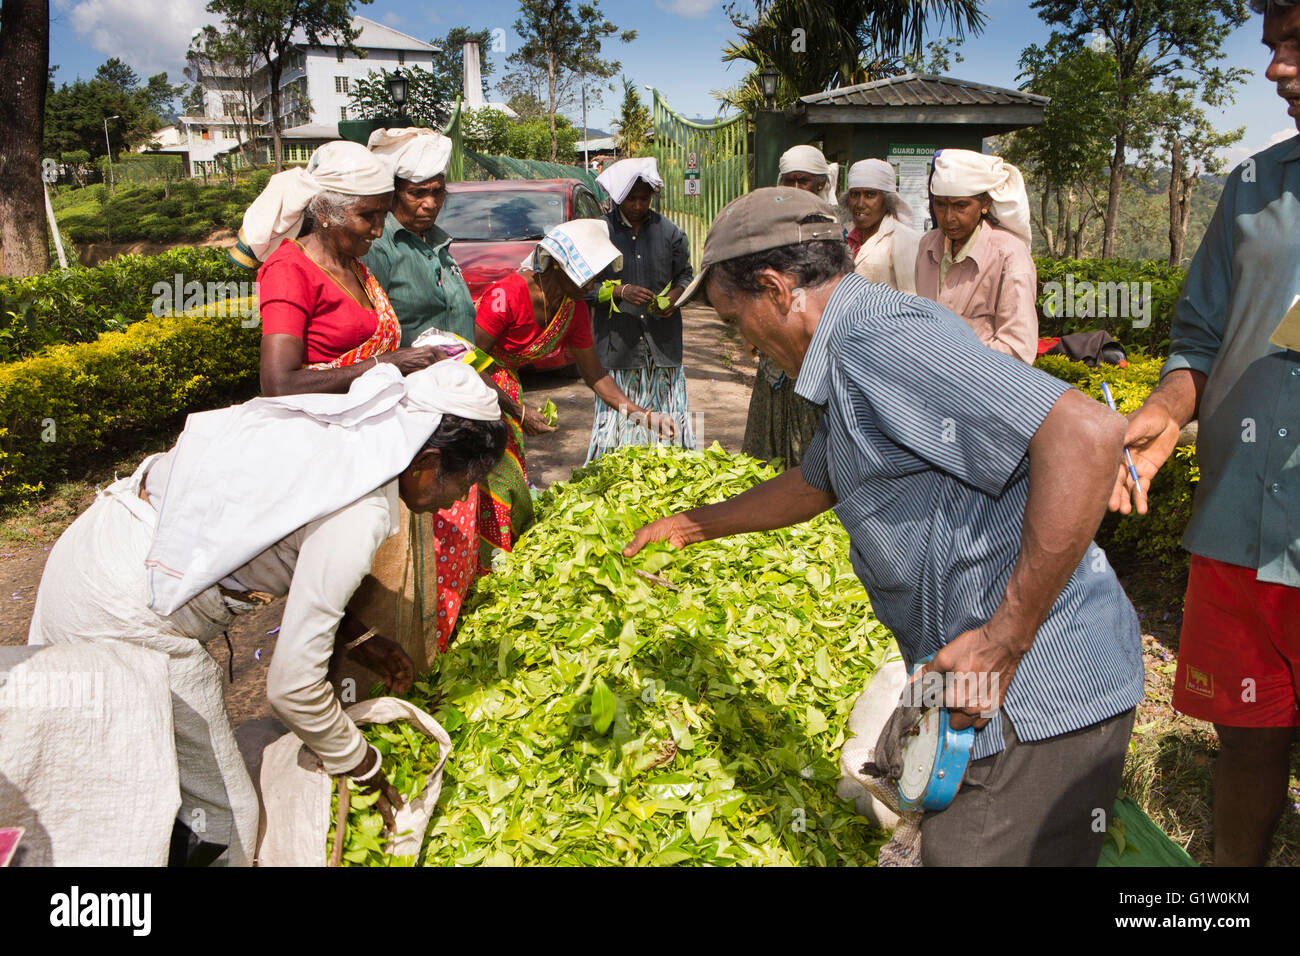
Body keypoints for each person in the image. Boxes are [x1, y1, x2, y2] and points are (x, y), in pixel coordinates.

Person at [625, 187, 1144, 866]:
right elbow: (820, 479)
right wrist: (693, 525)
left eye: (734, 319)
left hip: (1035, 686)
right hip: (969, 675)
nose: (743, 342)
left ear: (778, 290)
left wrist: (1004, 638)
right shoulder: (844, 353)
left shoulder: (880, 339)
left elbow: (1086, 432)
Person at [27, 361, 507, 866]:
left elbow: (294, 546)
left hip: (95, 553)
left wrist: (360, 638)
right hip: (120, 611)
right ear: (427, 461)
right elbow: (292, 688)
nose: (462, 496)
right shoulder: (361, 510)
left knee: (123, 762)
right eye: (466, 480)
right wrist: (361, 763)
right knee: (225, 812)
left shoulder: (345, 434)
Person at [1109, 0, 1300, 867]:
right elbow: (1197, 339)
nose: (1276, 70)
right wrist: (1163, 412)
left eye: (1297, 44)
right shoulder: (1256, 188)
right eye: (1272, 47)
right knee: (1249, 739)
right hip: (1238, 526)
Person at [474, 219, 678, 567]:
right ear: (554, 265)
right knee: (488, 486)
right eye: (583, 274)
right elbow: (466, 360)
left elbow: (596, 375)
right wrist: (516, 411)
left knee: (510, 487)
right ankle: (482, 566)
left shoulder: (573, 309)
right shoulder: (506, 295)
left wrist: (642, 415)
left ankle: (500, 562)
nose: (589, 283)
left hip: (508, 393)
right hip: (477, 393)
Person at [233, 140, 442, 397]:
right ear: (324, 211)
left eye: (384, 215)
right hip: (321, 425)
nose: (378, 230)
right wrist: (386, 363)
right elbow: (279, 384)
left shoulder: (353, 265)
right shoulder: (289, 270)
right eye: (367, 216)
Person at [586, 157, 696, 462]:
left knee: (668, 429)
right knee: (619, 430)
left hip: (663, 346)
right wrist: (621, 291)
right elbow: (584, 290)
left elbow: (685, 275)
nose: (637, 205)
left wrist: (673, 299)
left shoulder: (670, 232)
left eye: (644, 199)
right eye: (631, 199)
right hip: (618, 348)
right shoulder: (600, 233)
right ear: (618, 197)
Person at [741, 145, 837, 468]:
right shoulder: (769, 230)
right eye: (790, 181)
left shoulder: (833, 232)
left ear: (821, 185)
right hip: (773, 357)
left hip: (813, 352)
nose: (797, 189)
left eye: (805, 181)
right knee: (764, 455)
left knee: (810, 451)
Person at [914, 149, 1039, 364]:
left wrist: (950, 356)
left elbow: (1018, 350)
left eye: (960, 206)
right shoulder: (928, 246)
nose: (948, 217)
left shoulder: (1009, 256)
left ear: (985, 204)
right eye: (940, 204)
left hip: (983, 390)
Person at [363, 127, 476, 346]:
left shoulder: (437, 242)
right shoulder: (379, 247)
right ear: (393, 194)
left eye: (438, 192)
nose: (431, 204)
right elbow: (372, 331)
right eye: (417, 193)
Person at [841, 158, 920, 293]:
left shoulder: (904, 240)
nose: (860, 204)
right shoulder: (847, 238)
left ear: (886, 200)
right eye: (855, 195)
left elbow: (911, 298)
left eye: (869, 195)